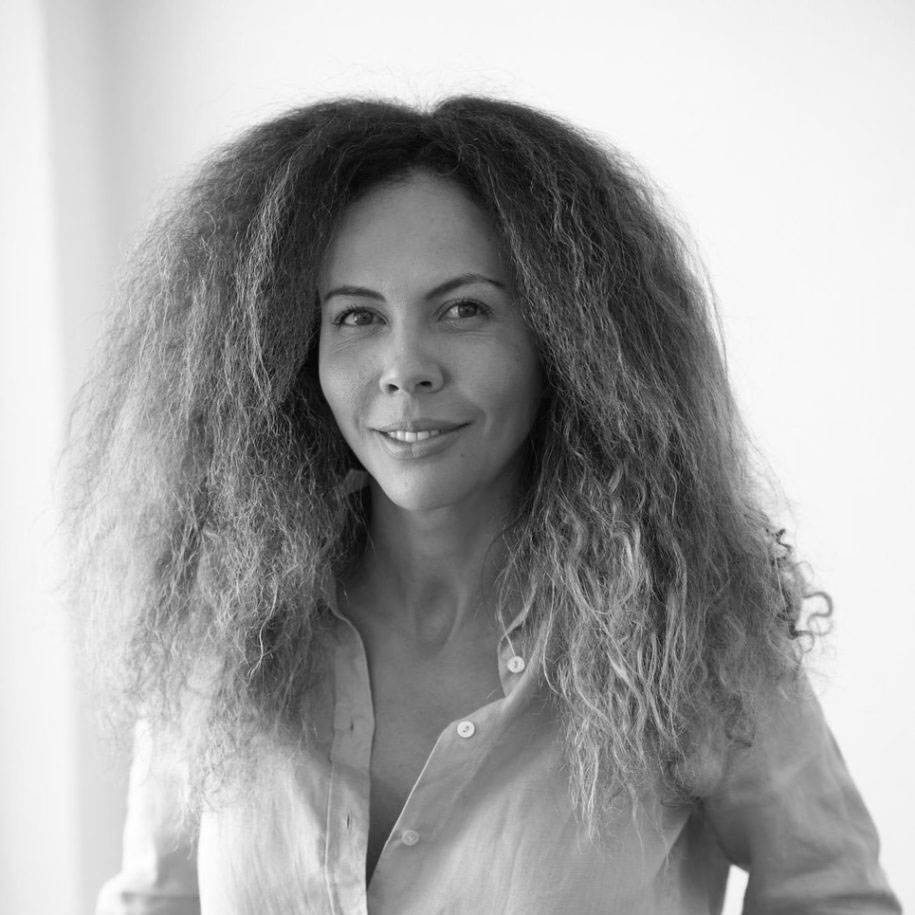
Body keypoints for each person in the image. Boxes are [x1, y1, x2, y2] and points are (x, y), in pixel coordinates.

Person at [70, 96, 900, 914]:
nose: (406, 367)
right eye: (356, 316)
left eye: (463, 309)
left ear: (565, 339)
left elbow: (833, 897)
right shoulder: (219, 629)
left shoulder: (690, 630)